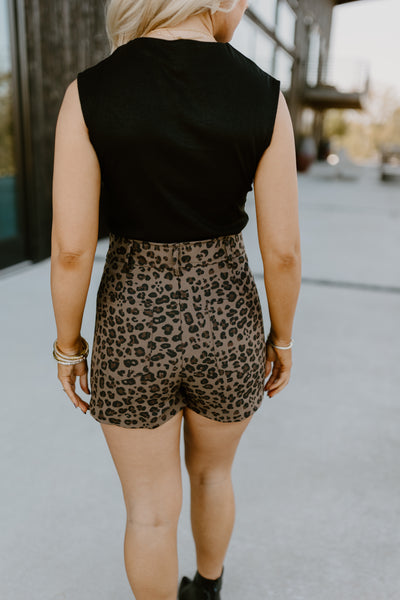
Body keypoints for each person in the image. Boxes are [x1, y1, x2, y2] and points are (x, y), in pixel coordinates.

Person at [50, 0, 301, 598]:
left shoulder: (89, 92)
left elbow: (70, 248)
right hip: (228, 317)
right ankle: (207, 589)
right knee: (213, 474)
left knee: (150, 512)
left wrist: (68, 346)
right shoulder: (263, 95)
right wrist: (282, 336)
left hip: (133, 321)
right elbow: (284, 251)